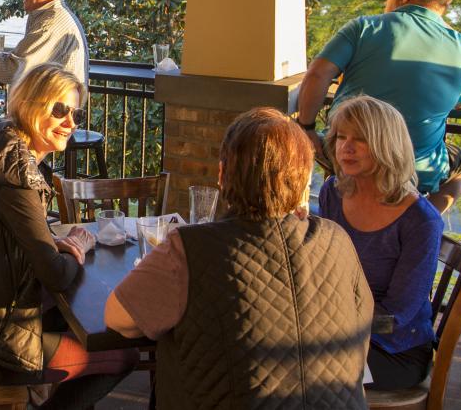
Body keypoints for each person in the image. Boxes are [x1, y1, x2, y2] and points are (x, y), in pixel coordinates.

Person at [104, 107, 373, 409]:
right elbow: (362, 328)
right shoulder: (337, 239)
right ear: (304, 180)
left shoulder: (191, 249)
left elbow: (118, 319)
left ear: (222, 174)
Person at [0, 64, 135, 407]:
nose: (70, 123)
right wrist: (75, 250)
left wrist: (53, 247)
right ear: (31, 105)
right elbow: (55, 275)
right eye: (59, 110)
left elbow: (8, 240)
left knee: (74, 319)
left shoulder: (1, 149)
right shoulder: (16, 176)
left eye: (76, 113)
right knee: (122, 357)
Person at [296, 0, 461, 212]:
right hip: (413, 169)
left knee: (335, 143)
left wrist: (307, 127)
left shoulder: (364, 28)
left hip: (346, 156)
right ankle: (421, 222)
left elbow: (318, 74)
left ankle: (344, 219)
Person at [319, 95, 445, 392]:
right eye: (340, 136)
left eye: (360, 139)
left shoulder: (421, 221)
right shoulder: (332, 194)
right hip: (335, 332)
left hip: (394, 351)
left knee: (290, 370)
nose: (345, 148)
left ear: (387, 145)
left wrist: (322, 321)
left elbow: (395, 317)